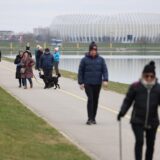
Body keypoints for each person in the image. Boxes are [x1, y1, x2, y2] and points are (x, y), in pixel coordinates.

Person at [117, 61, 160, 160]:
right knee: (139, 141)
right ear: (143, 75)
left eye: (151, 76)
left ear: (154, 76)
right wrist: (122, 112)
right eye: (146, 76)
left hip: (152, 121)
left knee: (150, 145)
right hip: (137, 120)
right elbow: (128, 101)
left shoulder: (158, 88)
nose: (149, 78)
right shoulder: (136, 86)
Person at [78, 42, 109, 125]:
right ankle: (89, 118)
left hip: (97, 83)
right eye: (92, 50)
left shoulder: (101, 60)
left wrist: (105, 80)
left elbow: (105, 70)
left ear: (96, 51)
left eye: (95, 50)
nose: (93, 52)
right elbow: (80, 71)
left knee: (95, 100)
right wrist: (81, 82)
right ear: (89, 50)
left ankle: (93, 118)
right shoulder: (84, 60)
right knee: (90, 99)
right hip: (88, 83)